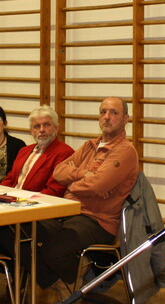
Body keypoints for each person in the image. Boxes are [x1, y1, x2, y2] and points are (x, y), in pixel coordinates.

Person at [37, 97, 139, 291]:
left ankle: (74, 281)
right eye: (103, 112)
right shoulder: (89, 146)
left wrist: (71, 185)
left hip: (98, 221)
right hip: (70, 212)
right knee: (26, 234)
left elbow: (97, 185)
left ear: (126, 119)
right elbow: (58, 172)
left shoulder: (125, 151)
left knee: (53, 249)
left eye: (114, 113)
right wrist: (84, 174)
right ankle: (63, 279)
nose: (107, 117)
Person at [1, 106, 74, 196]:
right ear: (31, 131)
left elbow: (54, 190)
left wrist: (24, 200)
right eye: (37, 126)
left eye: (46, 125)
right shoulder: (24, 151)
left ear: (56, 128)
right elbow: (10, 179)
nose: (42, 130)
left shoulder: (65, 153)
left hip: (35, 201)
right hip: (11, 198)